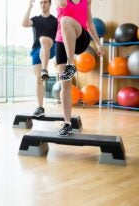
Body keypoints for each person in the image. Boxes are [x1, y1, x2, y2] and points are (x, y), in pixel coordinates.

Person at [54, 0, 104, 136]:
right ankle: (67, 124)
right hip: (61, 42)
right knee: (65, 84)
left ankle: (71, 63)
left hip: (81, 38)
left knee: (65, 20)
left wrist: (98, 44)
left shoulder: (86, 1)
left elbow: (90, 22)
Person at [22, 0, 57, 116]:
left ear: (50, 4)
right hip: (37, 51)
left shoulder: (55, 21)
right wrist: (29, 6)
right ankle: (40, 107)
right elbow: (24, 23)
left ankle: (45, 69)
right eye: (41, 2)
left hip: (51, 47)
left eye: (45, 2)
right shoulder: (36, 19)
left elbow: (61, 37)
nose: (43, 5)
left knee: (44, 39)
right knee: (38, 80)